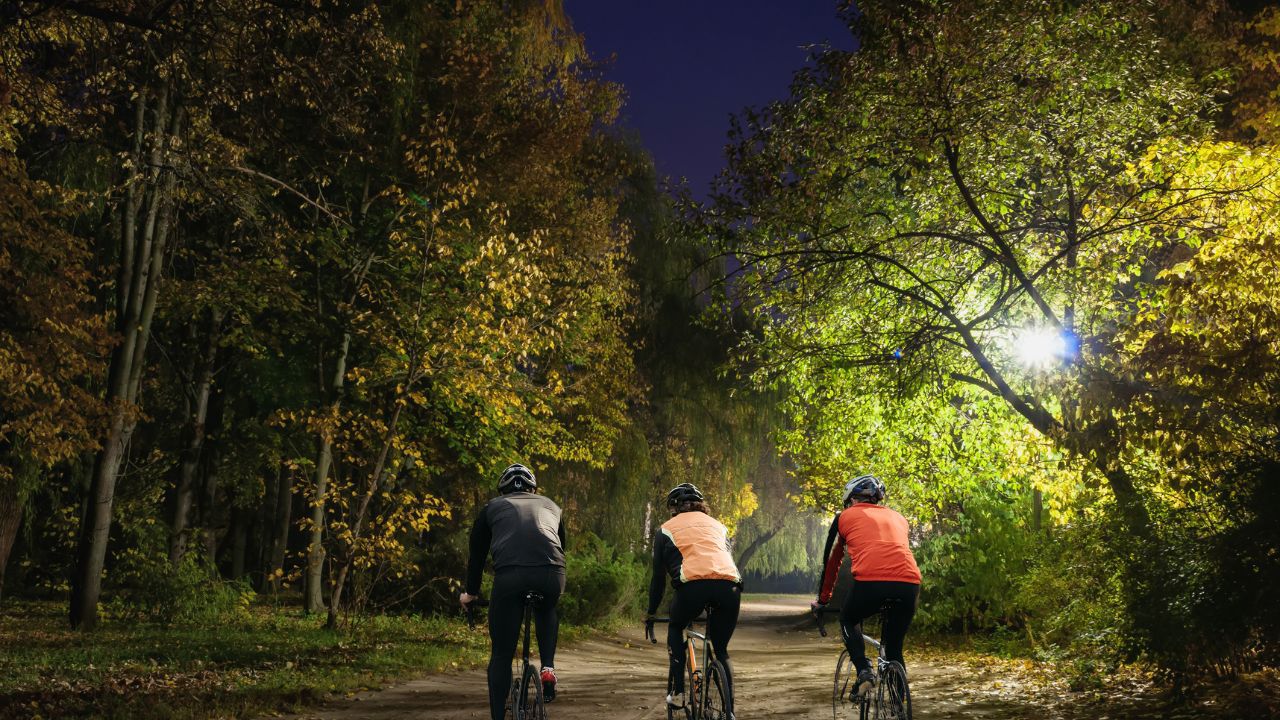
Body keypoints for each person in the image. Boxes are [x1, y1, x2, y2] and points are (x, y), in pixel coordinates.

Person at [460, 464, 566, 720]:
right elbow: (562, 546)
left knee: (501, 655)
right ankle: (548, 667)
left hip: (510, 576)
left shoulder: (491, 508)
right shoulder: (551, 505)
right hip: (552, 573)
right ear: (533, 489)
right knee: (546, 607)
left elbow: (476, 557)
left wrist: (471, 594)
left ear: (503, 490)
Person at [812, 474, 921, 696]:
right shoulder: (899, 518)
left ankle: (864, 671)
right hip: (909, 584)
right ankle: (899, 706)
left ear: (852, 499)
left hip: (871, 582)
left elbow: (832, 562)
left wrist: (823, 600)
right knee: (894, 649)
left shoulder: (844, 516)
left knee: (848, 619)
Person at [645, 482, 742, 718]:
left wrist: (651, 613)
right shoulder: (720, 526)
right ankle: (729, 711)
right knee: (721, 650)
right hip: (730, 585)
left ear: (675, 508)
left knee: (676, 626)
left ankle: (678, 691)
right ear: (700, 506)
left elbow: (658, 578)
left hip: (693, 587)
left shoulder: (665, 529)